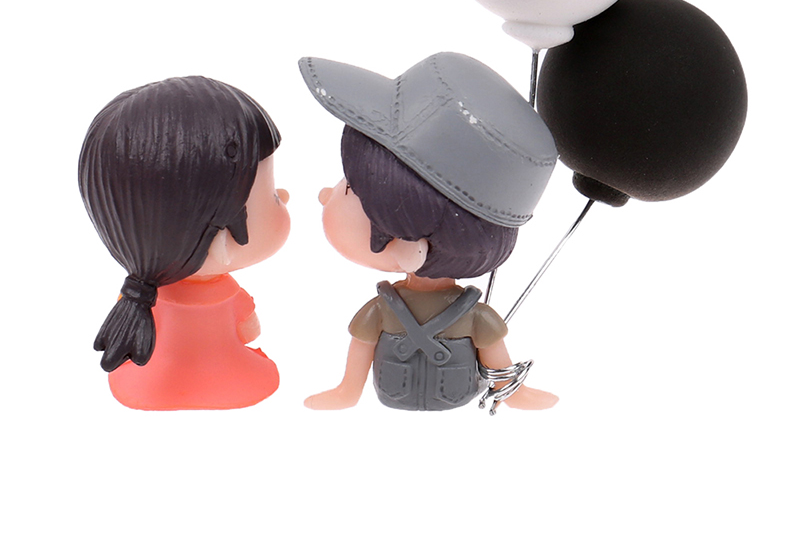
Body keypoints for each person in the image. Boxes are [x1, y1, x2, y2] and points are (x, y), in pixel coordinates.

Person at [298, 52, 559, 411]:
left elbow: (364, 347)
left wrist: (513, 391)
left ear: (408, 245)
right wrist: (346, 392)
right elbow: (363, 345)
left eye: (350, 189)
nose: (325, 194)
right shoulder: (457, 313)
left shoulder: (430, 311)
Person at [79, 75, 290, 410]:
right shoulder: (227, 295)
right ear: (219, 235)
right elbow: (249, 331)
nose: (285, 196)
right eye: (272, 197)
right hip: (232, 375)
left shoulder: (141, 295)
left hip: (148, 384)